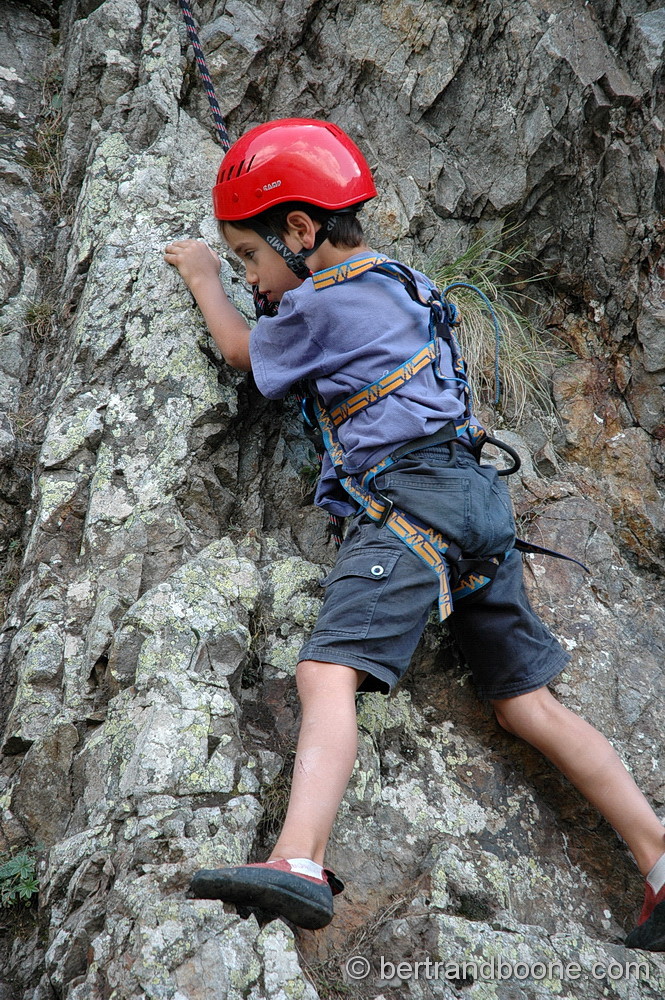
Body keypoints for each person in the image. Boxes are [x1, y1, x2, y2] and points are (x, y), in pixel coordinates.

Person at [164, 118, 665, 948]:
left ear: (300, 230)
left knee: (327, 672)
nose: (249, 273)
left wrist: (202, 276)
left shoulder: (318, 304)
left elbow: (240, 353)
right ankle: (656, 857)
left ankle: (296, 859)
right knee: (525, 703)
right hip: (477, 499)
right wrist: (255, 271)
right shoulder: (399, 280)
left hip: (410, 504)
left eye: (250, 255)